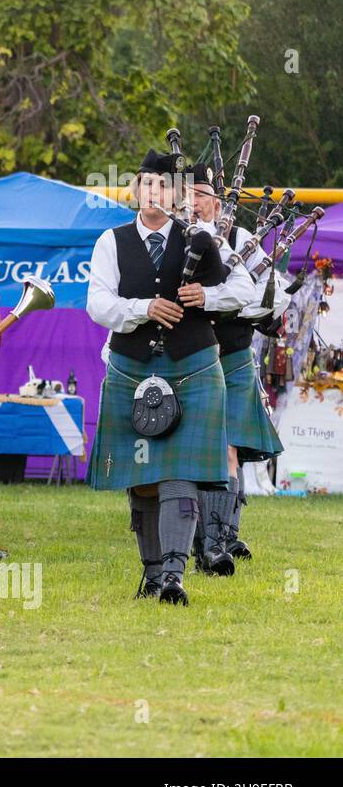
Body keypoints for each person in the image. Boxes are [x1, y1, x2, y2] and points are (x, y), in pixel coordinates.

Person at [86, 148, 254, 606]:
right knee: (142, 476)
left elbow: (243, 289)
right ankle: (152, 572)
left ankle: (175, 574)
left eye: (163, 186)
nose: (153, 193)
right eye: (146, 184)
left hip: (193, 364)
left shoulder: (199, 236)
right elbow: (97, 304)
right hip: (132, 365)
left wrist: (206, 294)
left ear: (177, 194)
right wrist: (141, 309)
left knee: (181, 471)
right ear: (135, 189)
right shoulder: (111, 241)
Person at [188, 162, 289, 568]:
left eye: (203, 195)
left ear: (217, 199)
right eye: (190, 194)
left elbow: (276, 296)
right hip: (188, 355)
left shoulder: (242, 237)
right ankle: (200, 537)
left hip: (231, 353)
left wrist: (230, 306)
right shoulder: (177, 237)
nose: (196, 203)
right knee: (194, 450)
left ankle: (221, 540)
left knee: (228, 446)